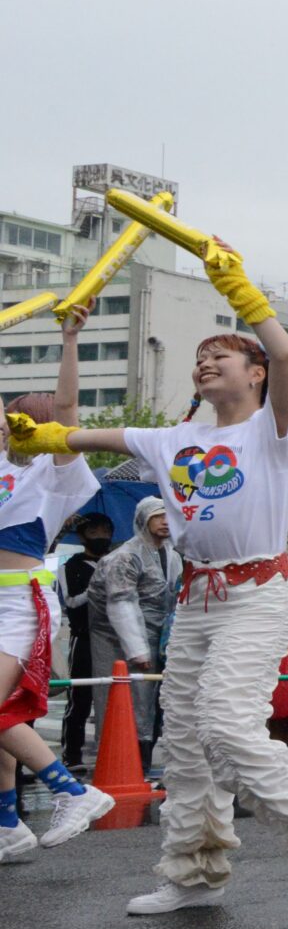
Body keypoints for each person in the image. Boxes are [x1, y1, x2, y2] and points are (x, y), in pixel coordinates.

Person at [30, 245, 288, 911]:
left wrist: (240, 290)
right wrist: (64, 355)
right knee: (185, 740)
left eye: (222, 354)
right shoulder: (171, 440)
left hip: (258, 593)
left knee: (225, 721)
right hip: (196, 598)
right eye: (200, 357)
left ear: (255, 373)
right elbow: (70, 433)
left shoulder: (274, 432)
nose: (205, 361)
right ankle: (193, 871)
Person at [0, 312, 116, 861]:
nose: (10, 424)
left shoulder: (53, 474)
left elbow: (68, 411)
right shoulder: (3, 469)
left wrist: (69, 341)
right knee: (6, 717)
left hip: (19, 603)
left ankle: (72, 791)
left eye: (20, 417)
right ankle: (8, 824)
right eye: (8, 417)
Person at [89, 497, 178, 771]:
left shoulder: (171, 554)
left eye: (168, 515)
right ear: (143, 520)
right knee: (122, 700)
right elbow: (121, 603)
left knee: (149, 702)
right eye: (157, 516)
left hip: (156, 637)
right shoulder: (125, 557)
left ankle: (142, 762)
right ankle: (118, 764)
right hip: (116, 641)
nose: (165, 521)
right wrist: (137, 650)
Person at [57, 511, 116, 770]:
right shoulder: (71, 566)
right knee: (80, 698)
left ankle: (113, 753)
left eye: (105, 531)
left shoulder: (117, 562)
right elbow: (71, 601)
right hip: (84, 638)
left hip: (114, 639)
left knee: (115, 696)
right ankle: (71, 755)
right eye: (94, 532)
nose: (101, 536)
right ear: (81, 537)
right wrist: (98, 585)